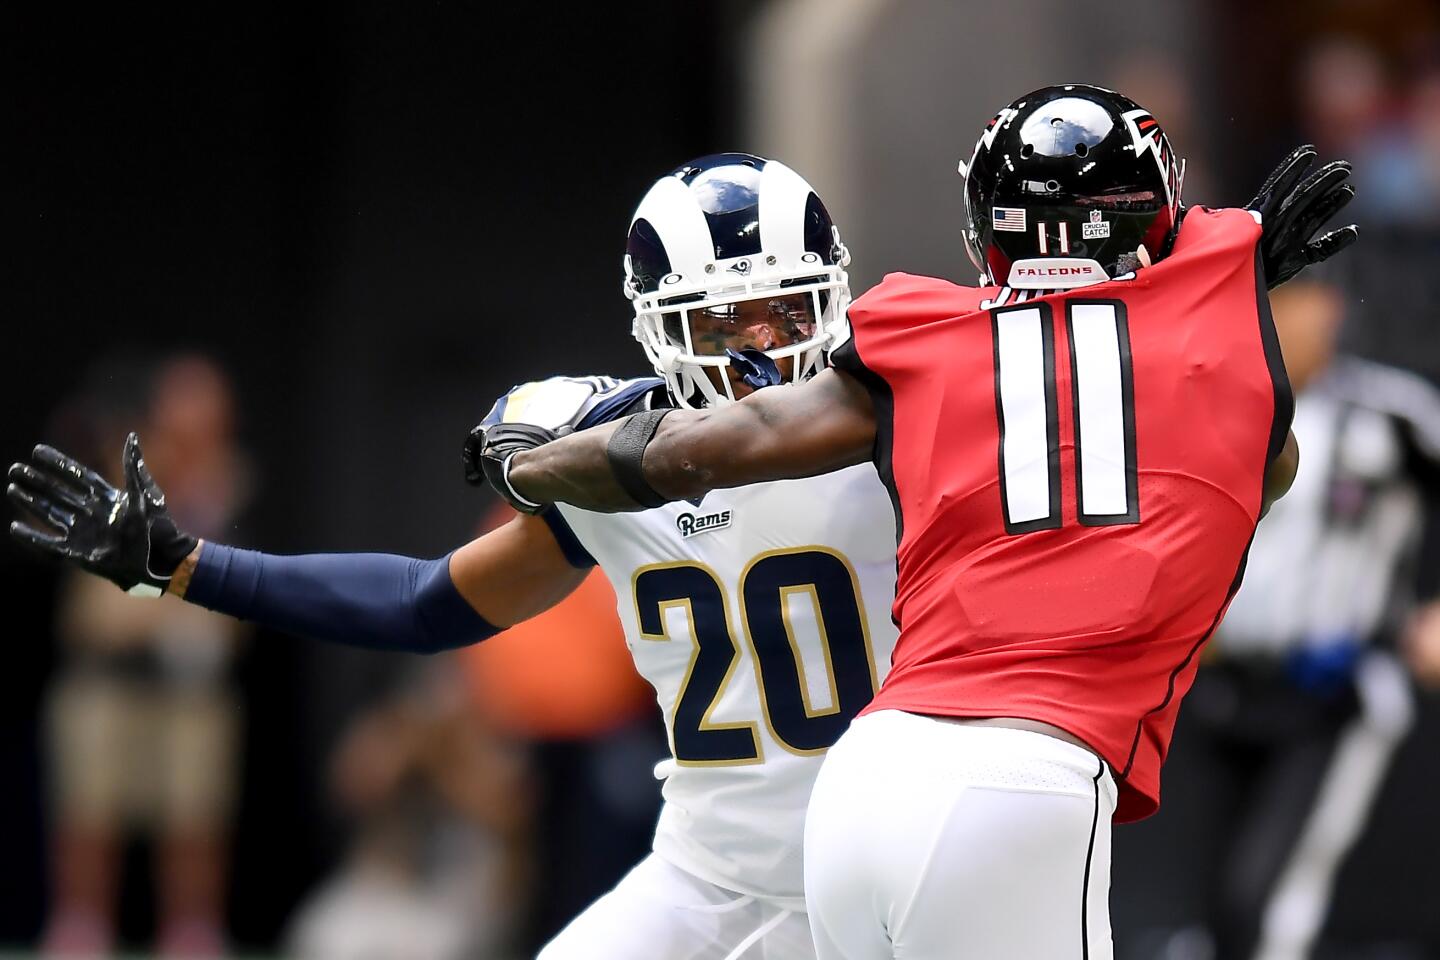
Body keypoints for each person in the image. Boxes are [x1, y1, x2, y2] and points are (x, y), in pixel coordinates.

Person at [467, 85, 1360, 959]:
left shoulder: (923, 341)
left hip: (868, 777)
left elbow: (708, 443)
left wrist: (525, 463)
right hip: (1031, 774)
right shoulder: (1216, 391)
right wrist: (1213, 290)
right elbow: (1259, 465)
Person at [8, 153, 901, 960]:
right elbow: (424, 603)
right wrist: (184, 562)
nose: (758, 353)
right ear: (657, 328)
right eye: (718, 324)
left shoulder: (904, 431)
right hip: (710, 878)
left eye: (784, 312)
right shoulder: (614, 469)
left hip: (890, 863)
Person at [1113, 277, 1440, 960]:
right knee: (1212, 900)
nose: (1293, 319)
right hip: (1220, 686)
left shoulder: (1388, 413)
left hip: (1334, 686)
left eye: (1304, 300)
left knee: (1269, 900)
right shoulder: (1202, 405)